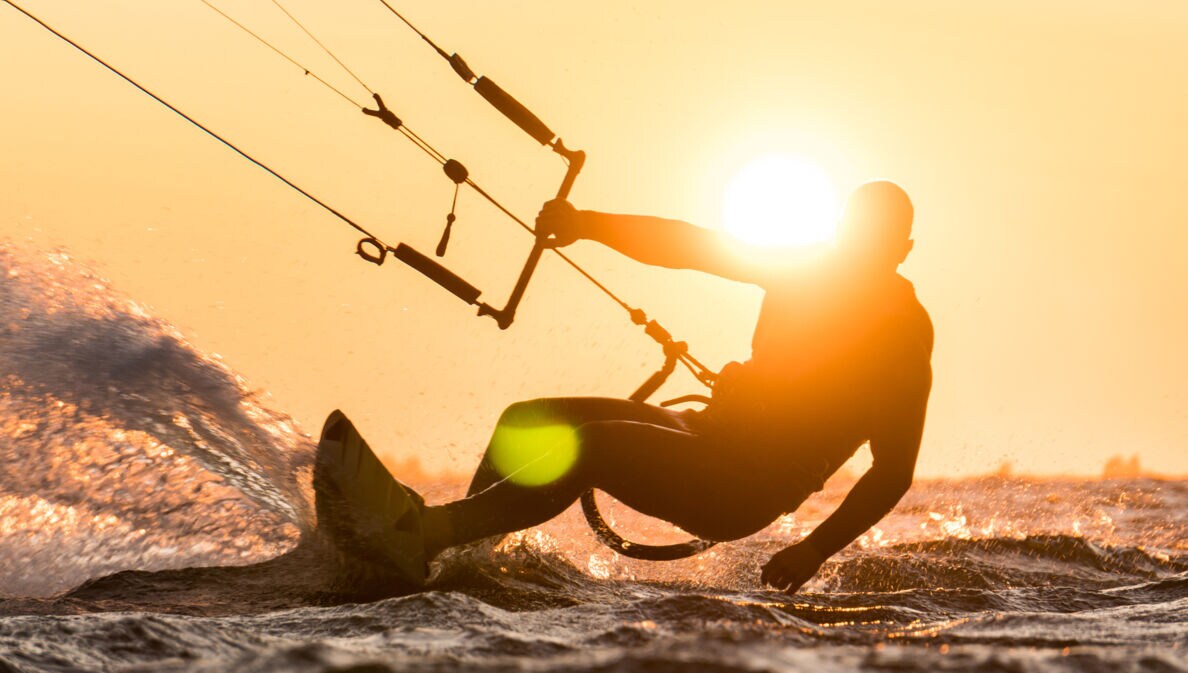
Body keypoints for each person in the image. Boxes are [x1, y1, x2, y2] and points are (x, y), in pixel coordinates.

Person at [418, 180, 933, 593]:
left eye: (876, 240)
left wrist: (815, 549)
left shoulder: (902, 331)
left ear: (902, 249)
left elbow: (893, 470)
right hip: (710, 432)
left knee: (593, 445)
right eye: (854, 233)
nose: (859, 249)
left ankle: (435, 530)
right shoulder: (804, 269)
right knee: (528, 419)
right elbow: (693, 246)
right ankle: (460, 556)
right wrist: (587, 224)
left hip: (748, 486)